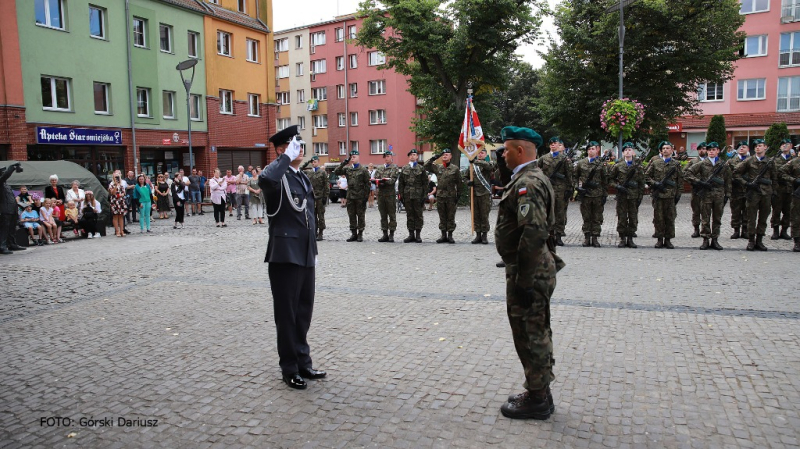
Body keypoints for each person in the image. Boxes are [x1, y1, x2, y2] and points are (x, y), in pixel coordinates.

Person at [494, 126, 564, 420]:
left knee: (531, 332)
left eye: (507, 150)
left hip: (530, 270)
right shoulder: (527, 178)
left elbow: (533, 233)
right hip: (530, 267)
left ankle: (537, 399)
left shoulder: (529, 183)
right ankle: (539, 390)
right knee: (532, 329)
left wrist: (523, 280)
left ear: (520, 151)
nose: (503, 154)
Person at [258, 125, 324, 390]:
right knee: (287, 314)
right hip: (285, 256)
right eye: (294, 144)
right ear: (282, 149)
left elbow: (307, 218)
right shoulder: (277, 176)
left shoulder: (300, 177)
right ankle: (289, 368)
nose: (301, 148)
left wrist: (314, 252)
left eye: (301, 143)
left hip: (305, 254)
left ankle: (303, 362)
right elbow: (265, 180)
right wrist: (284, 158)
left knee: (303, 312)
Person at [685, 141, 731, 250]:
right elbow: (687, 173)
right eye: (709, 150)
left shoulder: (723, 165)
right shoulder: (702, 163)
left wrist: (727, 194)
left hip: (719, 195)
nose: (711, 152)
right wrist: (699, 182)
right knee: (705, 218)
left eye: (713, 150)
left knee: (717, 218)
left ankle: (715, 240)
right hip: (706, 195)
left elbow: (728, 180)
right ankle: (705, 239)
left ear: (718, 151)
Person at [734, 139, 777, 251]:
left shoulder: (770, 162)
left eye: (760, 146)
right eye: (756, 146)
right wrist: (747, 183)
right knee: (751, 218)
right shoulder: (749, 161)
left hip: (766, 193)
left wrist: (774, 192)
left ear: (765, 147)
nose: (758, 148)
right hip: (752, 193)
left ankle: (760, 241)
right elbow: (736, 173)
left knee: (763, 218)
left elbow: (774, 178)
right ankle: (751, 241)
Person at [646, 141, 683, 249]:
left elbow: (680, 181)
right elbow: (646, 176)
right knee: (659, 218)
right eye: (664, 148)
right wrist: (655, 184)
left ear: (672, 150)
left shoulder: (676, 164)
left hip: (670, 195)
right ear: (661, 151)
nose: (665, 150)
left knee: (670, 218)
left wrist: (678, 194)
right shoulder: (655, 163)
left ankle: (668, 240)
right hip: (658, 196)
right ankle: (659, 239)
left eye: (668, 148)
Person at [537, 137, 573, 246]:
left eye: (555, 143)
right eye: (551, 143)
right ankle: (549, 234)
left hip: (561, 190)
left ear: (559, 145)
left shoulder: (564, 159)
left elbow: (569, 175)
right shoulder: (543, 158)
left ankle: (559, 235)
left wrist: (570, 189)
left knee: (560, 213)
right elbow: (537, 172)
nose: (553, 145)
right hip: (547, 189)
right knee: (547, 212)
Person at [609, 142, 645, 248]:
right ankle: (622, 238)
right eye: (625, 150)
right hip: (622, 196)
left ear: (633, 152)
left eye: (630, 150)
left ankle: (630, 238)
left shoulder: (638, 166)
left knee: (633, 218)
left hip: (633, 196)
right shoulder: (618, 166)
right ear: (623, 153)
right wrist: (617, 186)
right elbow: (610, 179)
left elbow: (641, 183)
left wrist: (640, 196)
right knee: (622, 218)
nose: (628, 152)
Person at [425, 148, 463, 244]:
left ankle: (450, 235)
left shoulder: (455, 169)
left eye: (447, 154)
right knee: (442, 216)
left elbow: (459, 183)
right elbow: (426, 166)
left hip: (451, 196)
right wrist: (434, 157)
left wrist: (458, 195)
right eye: (443, 154)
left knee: (450, 216)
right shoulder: (438, 167)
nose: (445, 156)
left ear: (451, 156)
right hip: (441, 196)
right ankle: (443, 235)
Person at [574, 141, 607, 247]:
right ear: (587, 151)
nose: (591, 151)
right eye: (589, 149)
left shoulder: (601, 164)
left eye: (593, 149)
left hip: (597, 194)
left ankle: (595, 237)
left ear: (596, 150)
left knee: (596, 217)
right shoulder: (581, 163)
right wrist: (578, 188)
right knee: (586, 217)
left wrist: (604, 194)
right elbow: (575, 176)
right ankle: (587, 237)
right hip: (586, 194)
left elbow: (605, 180)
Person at [335, 150, 371, 242]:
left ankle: (360, 234)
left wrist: (365, 197)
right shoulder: (348, 169)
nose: (353, 158)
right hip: (350, 196)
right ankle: (353, 233)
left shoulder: (363, 170)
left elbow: (367, 184)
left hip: (360, 197)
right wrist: (344, 162)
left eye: (354, 156)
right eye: (351, 157)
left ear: (358, 157)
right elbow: (336, 171)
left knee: (361, 215)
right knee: (351, 215)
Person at [398, 148, 428, 242]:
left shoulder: (421, 168)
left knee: (418, 215)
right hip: (407, 195)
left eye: (414, 155)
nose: (412, 156)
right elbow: (401, 183)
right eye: (410, 155)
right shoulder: (404, 168)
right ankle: (411, 234)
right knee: (409, 215)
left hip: (418, 195)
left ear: (417, 157)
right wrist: (401, 195)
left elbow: (425, 183)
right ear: (408, 157)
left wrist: (424, 196)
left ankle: (418, 234)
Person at [468, 148, 496, 244]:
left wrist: (475, 161)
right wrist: (468, 182)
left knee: (484, 215)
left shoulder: (489, 163)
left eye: (482, 153)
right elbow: (465, 177)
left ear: (485, 155)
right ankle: (478, 235)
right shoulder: (472, 166)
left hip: (484, 193)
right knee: (476, 215)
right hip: (474, 193)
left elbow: (489, 167)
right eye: (478, 153)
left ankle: (484, 236)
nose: (480, 154)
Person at [301, 156, 330, 240]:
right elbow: (300, 169)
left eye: (315, 162)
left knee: (320, 215)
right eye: (312, 162)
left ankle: (321, 232)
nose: (313, 163)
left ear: (318, 162)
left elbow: (326, 185)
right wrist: (307, 162)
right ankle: (314, 231)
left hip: (320, 197)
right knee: (312, 215)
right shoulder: (309, 172)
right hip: (311, 197)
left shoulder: (322, 172)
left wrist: (325, 196)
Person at [373, 151, 399, 242]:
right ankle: (385, 234)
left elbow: (393, 180)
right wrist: (377, 181)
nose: (386, 158)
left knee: (392, 215)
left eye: (388, 156)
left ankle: (391, 234)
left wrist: (384, 181)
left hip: (390, 195)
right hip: (381, 195)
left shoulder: (394, 167)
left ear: (391, 157)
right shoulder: (380, 168)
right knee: (383, 215)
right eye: (385, 156)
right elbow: (376, 178)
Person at [771, 139, 794, 240]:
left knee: (788, 211)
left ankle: (784, 230)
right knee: (776, 210)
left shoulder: (795, 159)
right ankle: (775, 230)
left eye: (787, 144)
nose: (784, 146)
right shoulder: (774, 160)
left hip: (791, 189)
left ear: (791, 146)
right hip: (778, 188)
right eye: (782, 144)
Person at [779, 150, 800, 251]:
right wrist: (794, 180)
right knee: (796, 218)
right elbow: (781, 172)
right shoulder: (794, 162)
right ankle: (797, 242)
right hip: (798, 194)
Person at [729, 142, 750, 239]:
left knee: (747, 211)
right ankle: (736, 230)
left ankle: (745, 230)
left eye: (744, 147)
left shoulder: (751, 161)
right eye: (739, 147)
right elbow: (726, 174)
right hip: (736, 190)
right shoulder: (731, 161)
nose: (741, 148)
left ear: (748, 149)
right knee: (735, 211)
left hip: (748, 190)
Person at [687, 142, 708, 238]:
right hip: (696, 190)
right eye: (700, 149)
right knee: (696, 210)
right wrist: (694, 181)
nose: (702, 150)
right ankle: (696, 229)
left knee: (706, 211)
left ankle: (705, 229)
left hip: (707, 190)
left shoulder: (710, 162)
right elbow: (685, 173)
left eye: (704, 148)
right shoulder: (693, 161)